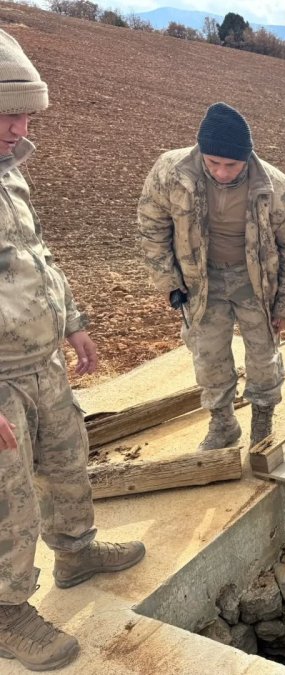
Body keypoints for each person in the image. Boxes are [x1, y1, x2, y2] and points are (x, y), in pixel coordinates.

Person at [0, 29, 145, 671]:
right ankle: (5, 612)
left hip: (41, 362)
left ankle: (76, 551)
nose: (19, 129)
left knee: (67, 457)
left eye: (26, 115)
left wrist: (73, 322)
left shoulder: (9, 175)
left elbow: (36, 258)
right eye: (7, 116)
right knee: (8, 497)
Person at [138, 103, 285, 450]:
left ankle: (262, 419)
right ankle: (222, 423)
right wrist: (169, 282)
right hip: (202, 282)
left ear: (247, 157)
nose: (220, 172)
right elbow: (151, 224)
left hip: (256, 285)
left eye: (231, 165)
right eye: (212, 162)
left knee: (263, 355)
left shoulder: (279, 189)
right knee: (208, 354)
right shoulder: (171, 173)